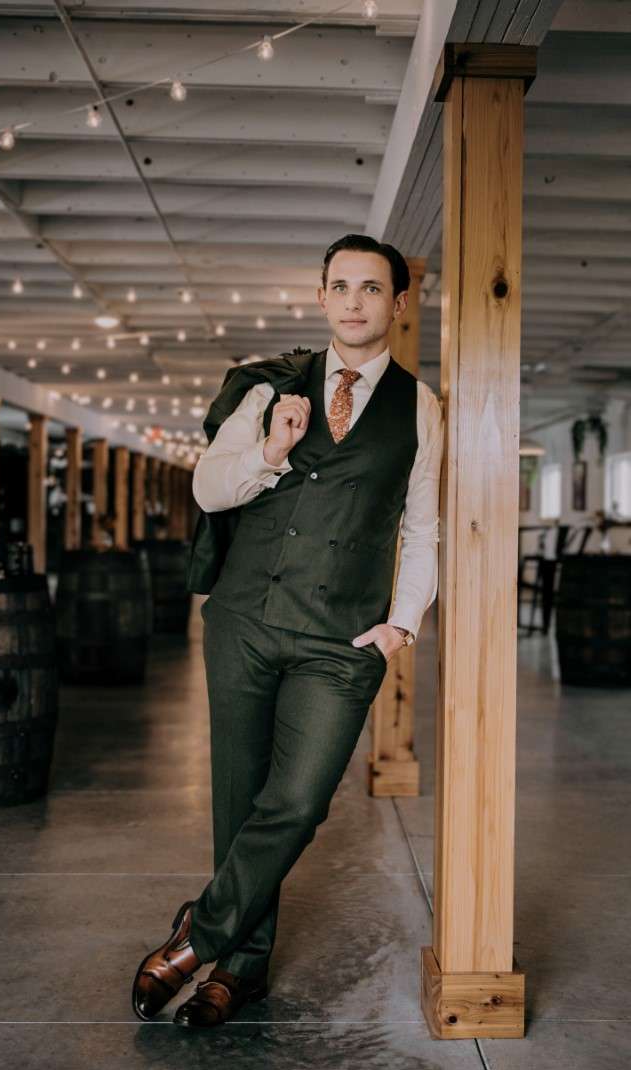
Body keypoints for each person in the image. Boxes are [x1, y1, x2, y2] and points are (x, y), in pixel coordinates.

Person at [131, 233, 444, 1027]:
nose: (353, 301)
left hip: (340, 640)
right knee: (239, 800)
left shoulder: (421, 406)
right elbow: (207, 490)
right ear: (319, 297)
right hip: (244, 620)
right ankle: (240, 972)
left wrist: (400, 625)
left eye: (371, 289)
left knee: (298, 802)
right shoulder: (266, 390)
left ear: (398, 303)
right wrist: (270, 450)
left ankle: (198, 936)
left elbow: (423, 525)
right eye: (339, 286)